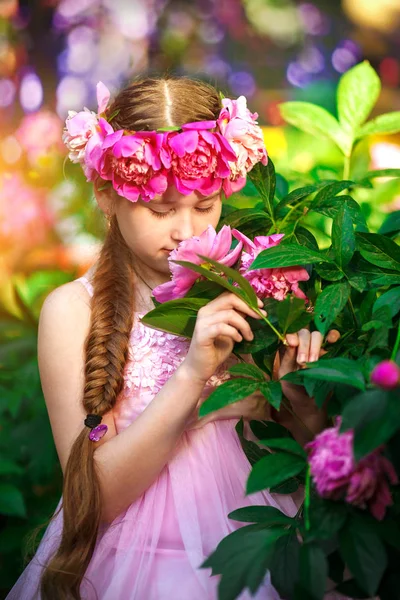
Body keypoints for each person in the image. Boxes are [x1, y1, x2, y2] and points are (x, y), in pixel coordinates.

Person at [6, 76, 342, 600]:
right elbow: (92, 502)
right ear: (106, 195)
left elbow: (310, 458)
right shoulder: (73, 312)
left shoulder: (258, 286)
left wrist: (303, 402)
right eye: (161, 210)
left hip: (258, 553)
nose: (186, 231)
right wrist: (191, 377)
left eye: (205, 205)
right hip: (134, 570)